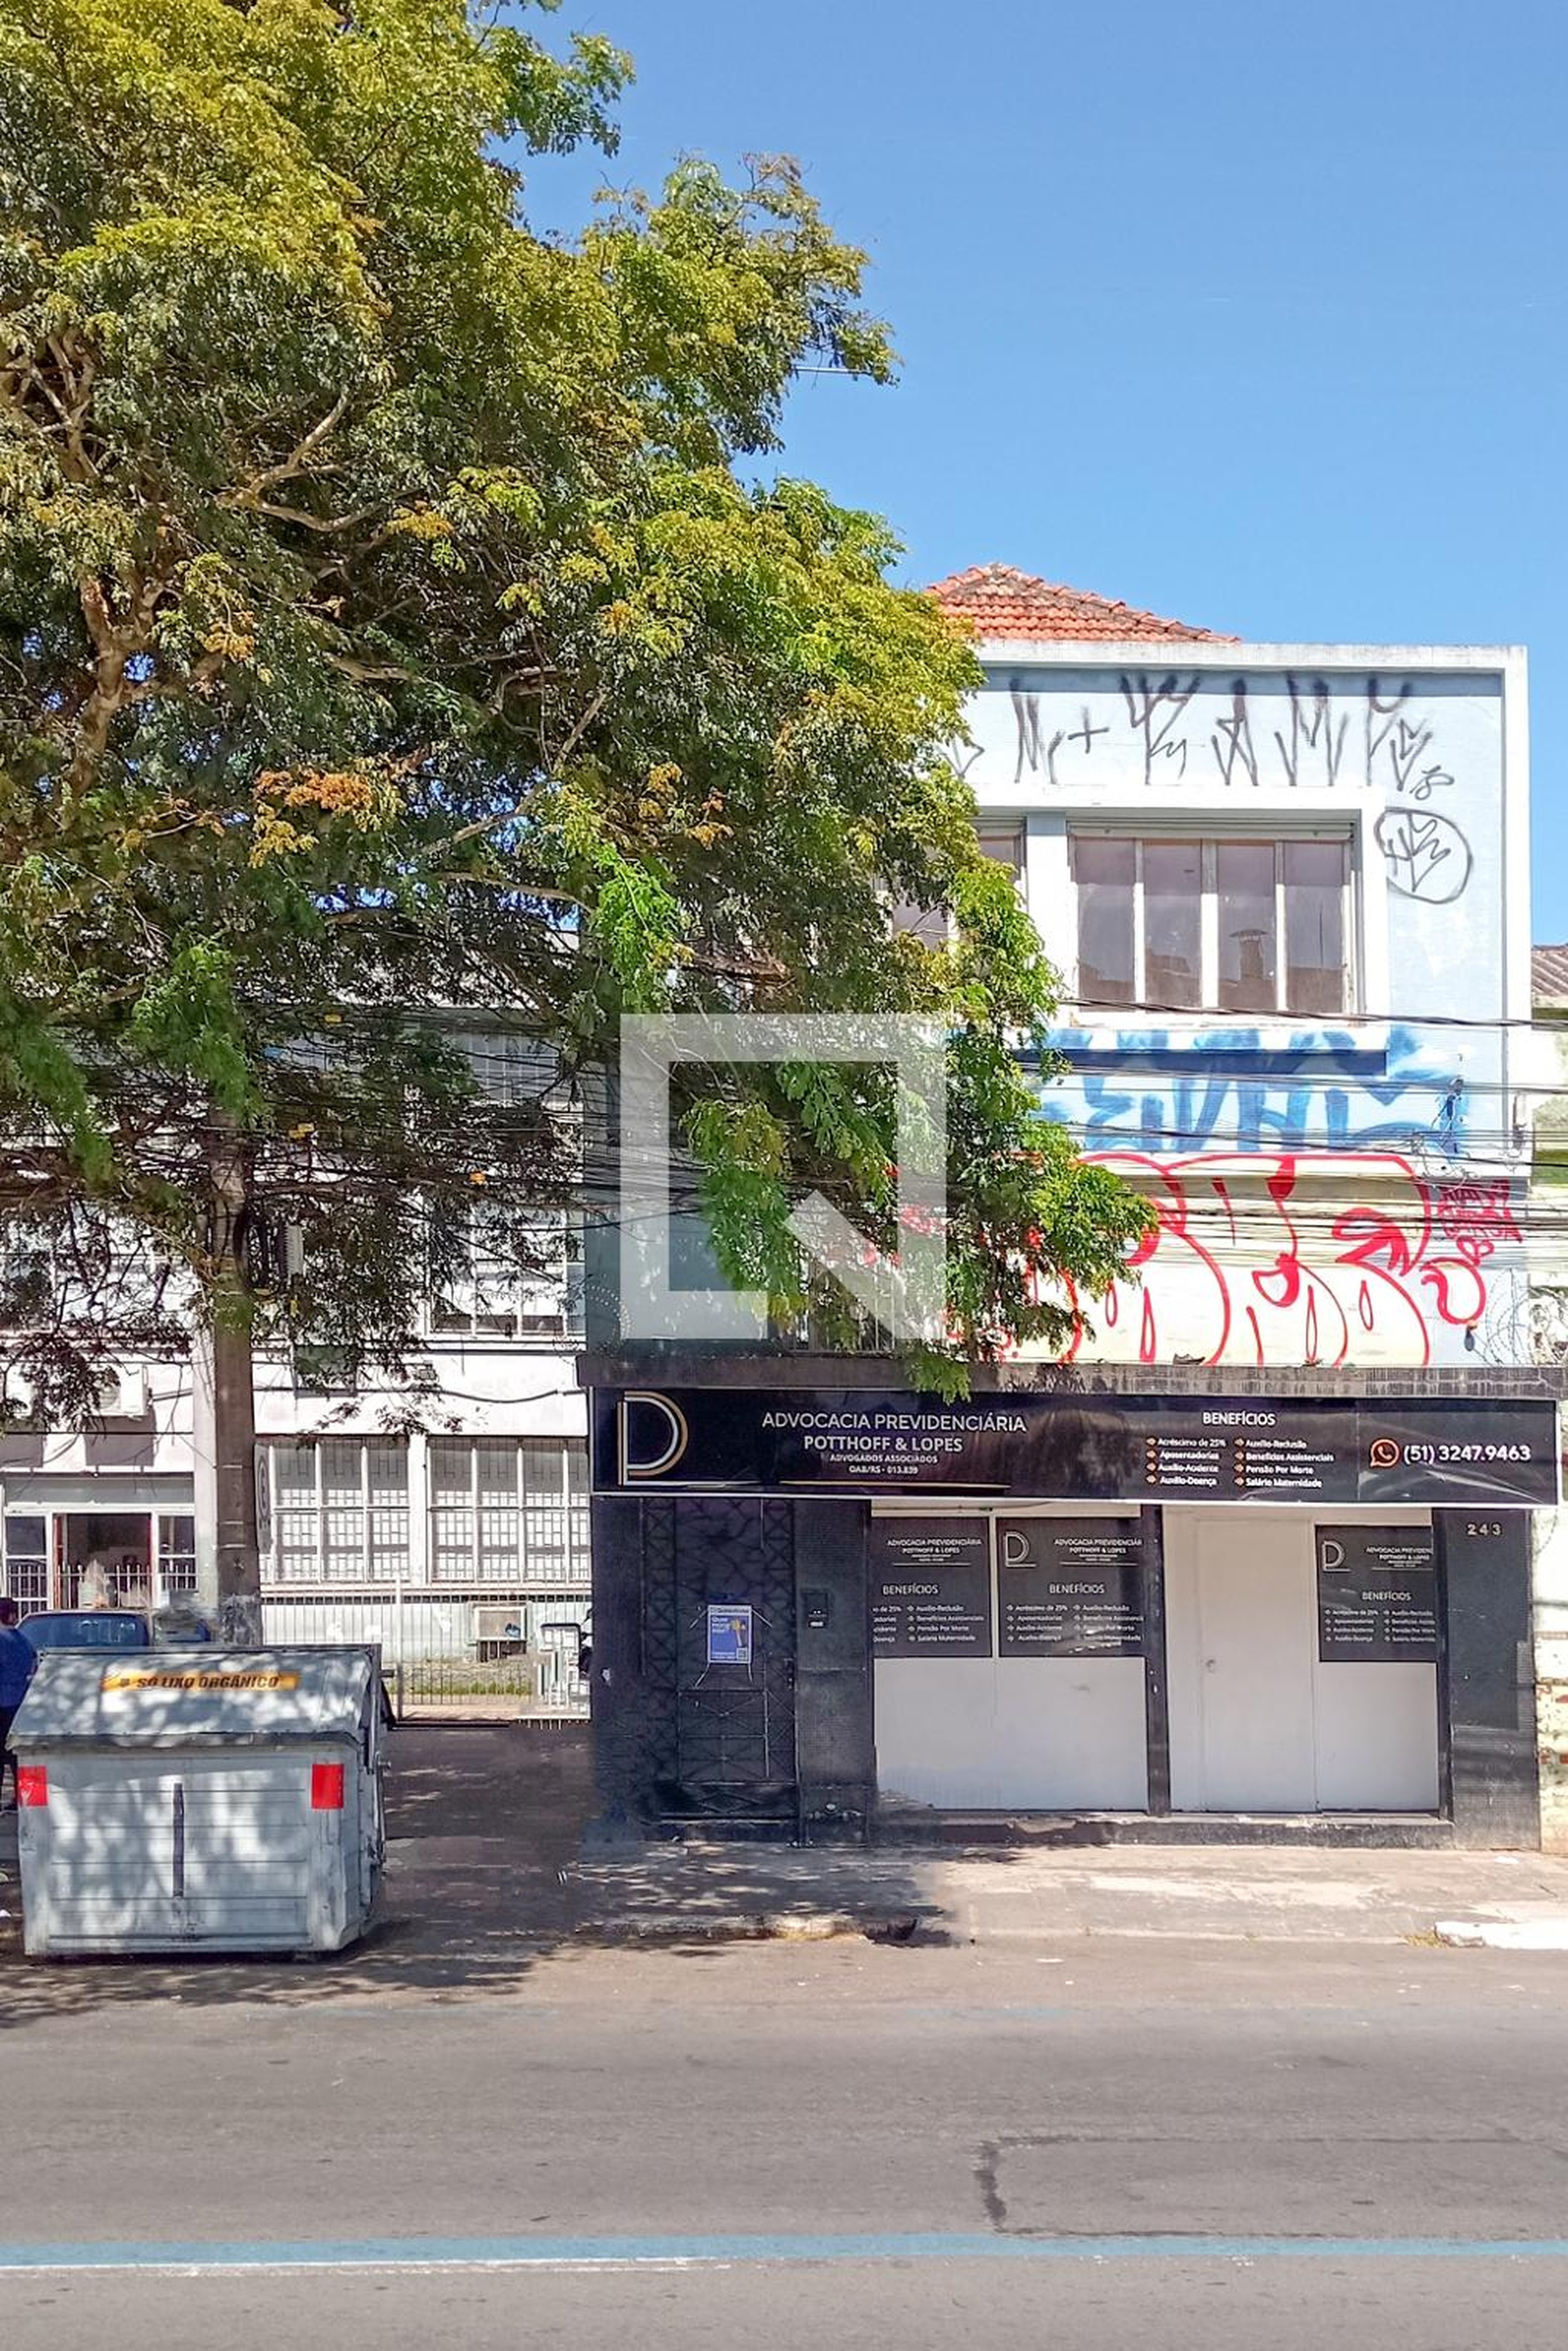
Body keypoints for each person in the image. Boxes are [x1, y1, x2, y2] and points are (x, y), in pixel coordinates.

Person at [0, 1597, 37, 1810]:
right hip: (21, 1703)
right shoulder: (24, 1642)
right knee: (18, 1756)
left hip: (3, 1703)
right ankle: (22, 1799)